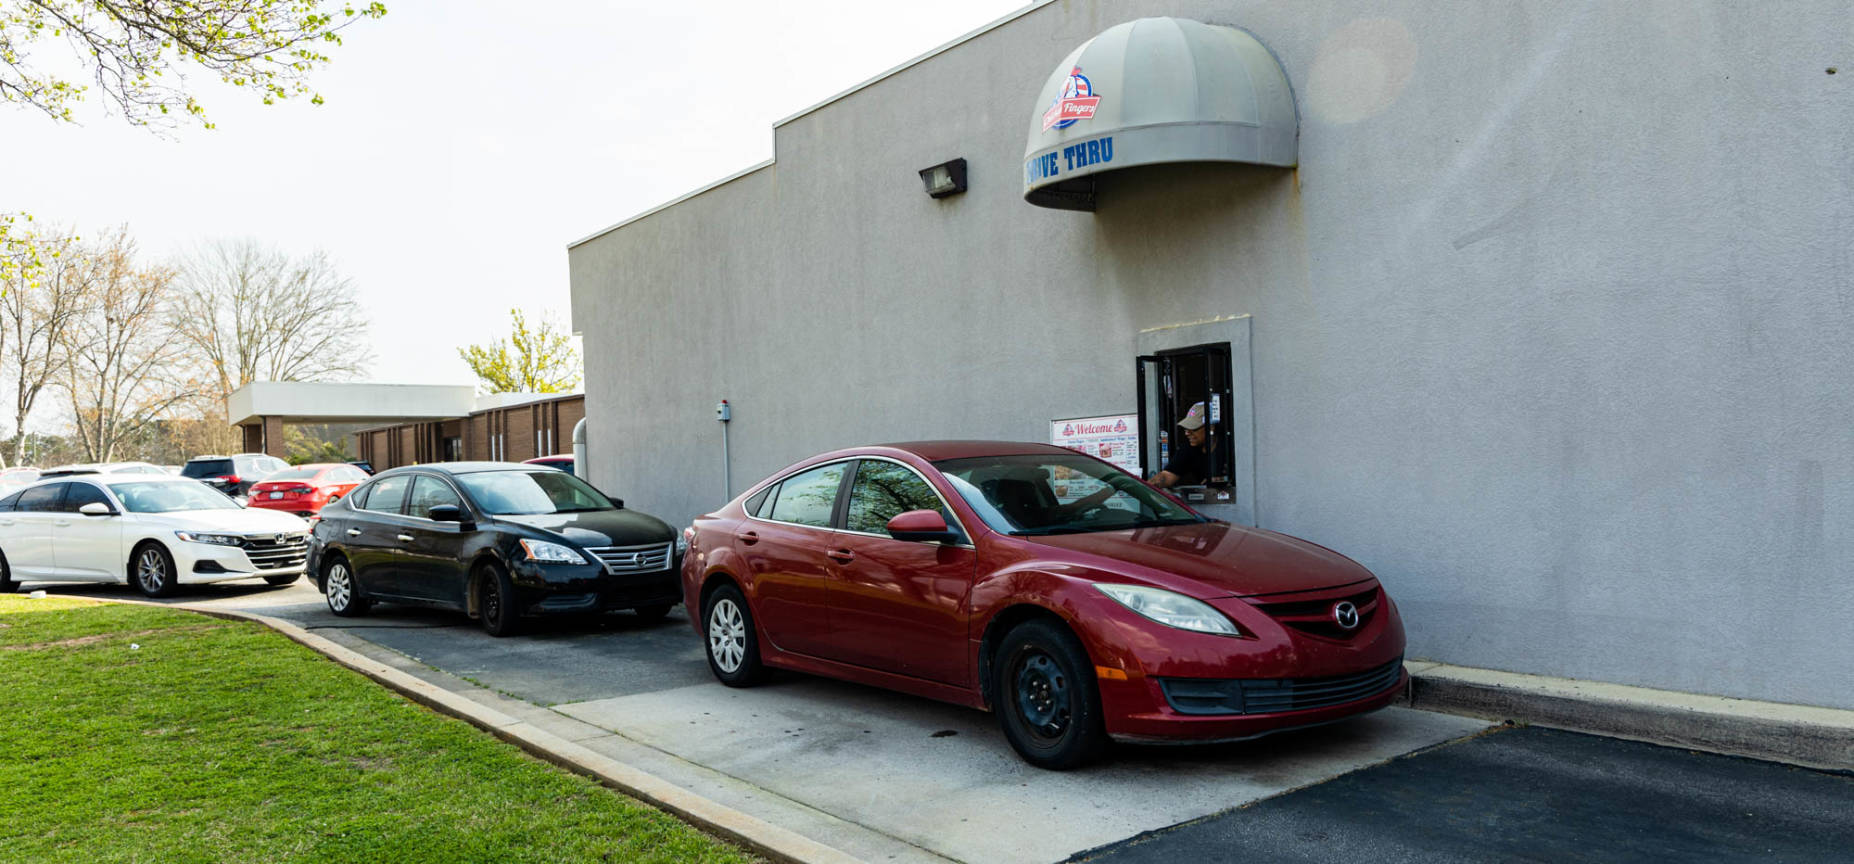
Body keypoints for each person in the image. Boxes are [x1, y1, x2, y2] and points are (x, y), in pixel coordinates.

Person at [1150, 401, 1218, 489]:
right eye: (1186, 428)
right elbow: (1167, 476)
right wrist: (1147, 487)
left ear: (1211, 427)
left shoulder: (1228, 449)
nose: (1187, 433)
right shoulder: (1188, 449)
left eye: (1193, 428)